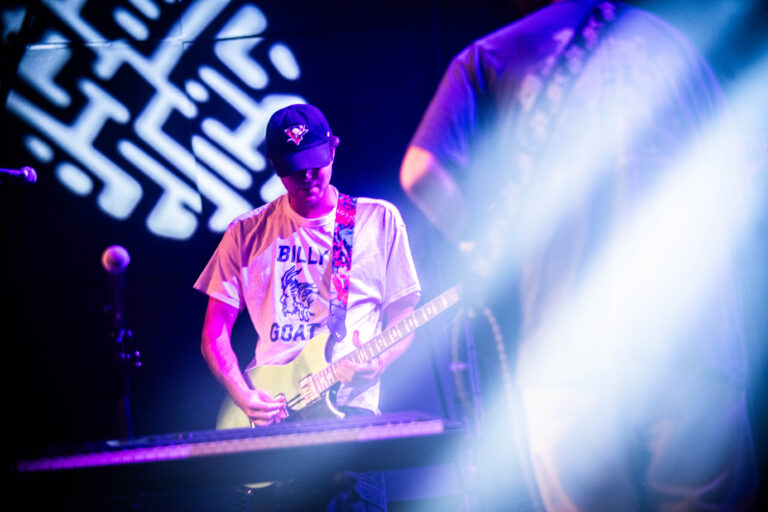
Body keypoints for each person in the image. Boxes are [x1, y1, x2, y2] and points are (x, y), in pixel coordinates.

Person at [401, 1, 757, 510]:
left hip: (567, 347)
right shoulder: (685, 42)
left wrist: (484, 247)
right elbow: (743, 166)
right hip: (695, 340)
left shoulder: (494, 53)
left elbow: (420, 170)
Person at [195, 103, 421, 511]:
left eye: (315, 163)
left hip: (349, 413)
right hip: (273, 419)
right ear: (274, 166)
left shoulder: (377, 219)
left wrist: (380, 360)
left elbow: (404, 315)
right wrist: (244, 396)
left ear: (333, 150)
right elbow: (214, 335)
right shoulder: (245, 232)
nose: (306, 177)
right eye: (293, 168)